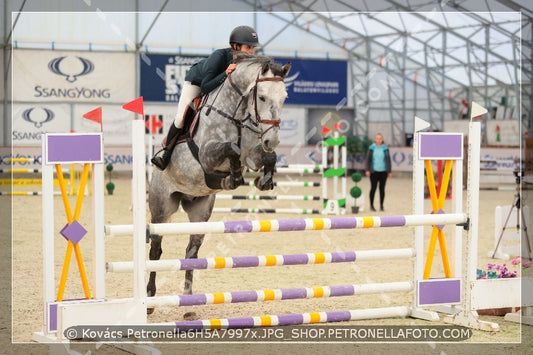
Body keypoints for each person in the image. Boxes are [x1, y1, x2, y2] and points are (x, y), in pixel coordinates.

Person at [151, 25, 262, 170]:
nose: (252, 52)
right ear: (235, 46)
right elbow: (205, 87)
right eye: (248, 48)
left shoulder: (246, 64)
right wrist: (225, 73)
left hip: (219, 89)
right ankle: (165, 154)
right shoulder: (219, 56)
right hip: (197, 83)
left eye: (253, 48)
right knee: (180, 118)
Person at [365, 133, 392, 211]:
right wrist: (367, 170)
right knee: (373, 188)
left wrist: (389, 171)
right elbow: (368, 160)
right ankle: (371, 205)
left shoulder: (385, 148)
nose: (379, 140)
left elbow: (388, 160)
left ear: (382, 140)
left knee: (382, 189)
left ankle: (381, 205)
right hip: (374, 171)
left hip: (383, 171)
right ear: (375, 139)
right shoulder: (371, 148)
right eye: (377, 138)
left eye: (380, 138)